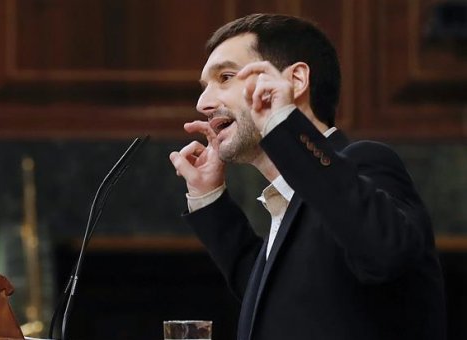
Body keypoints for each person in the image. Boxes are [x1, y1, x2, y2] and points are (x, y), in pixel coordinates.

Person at [168, 13, 446, 340]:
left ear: (295, 81)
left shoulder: (365, 162)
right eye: (205, 88)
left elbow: (385, 252)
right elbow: (281, 301)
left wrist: (285, 125)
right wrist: (209, 197)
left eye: (226, 77)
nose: (203, 103)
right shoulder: (293, 200)